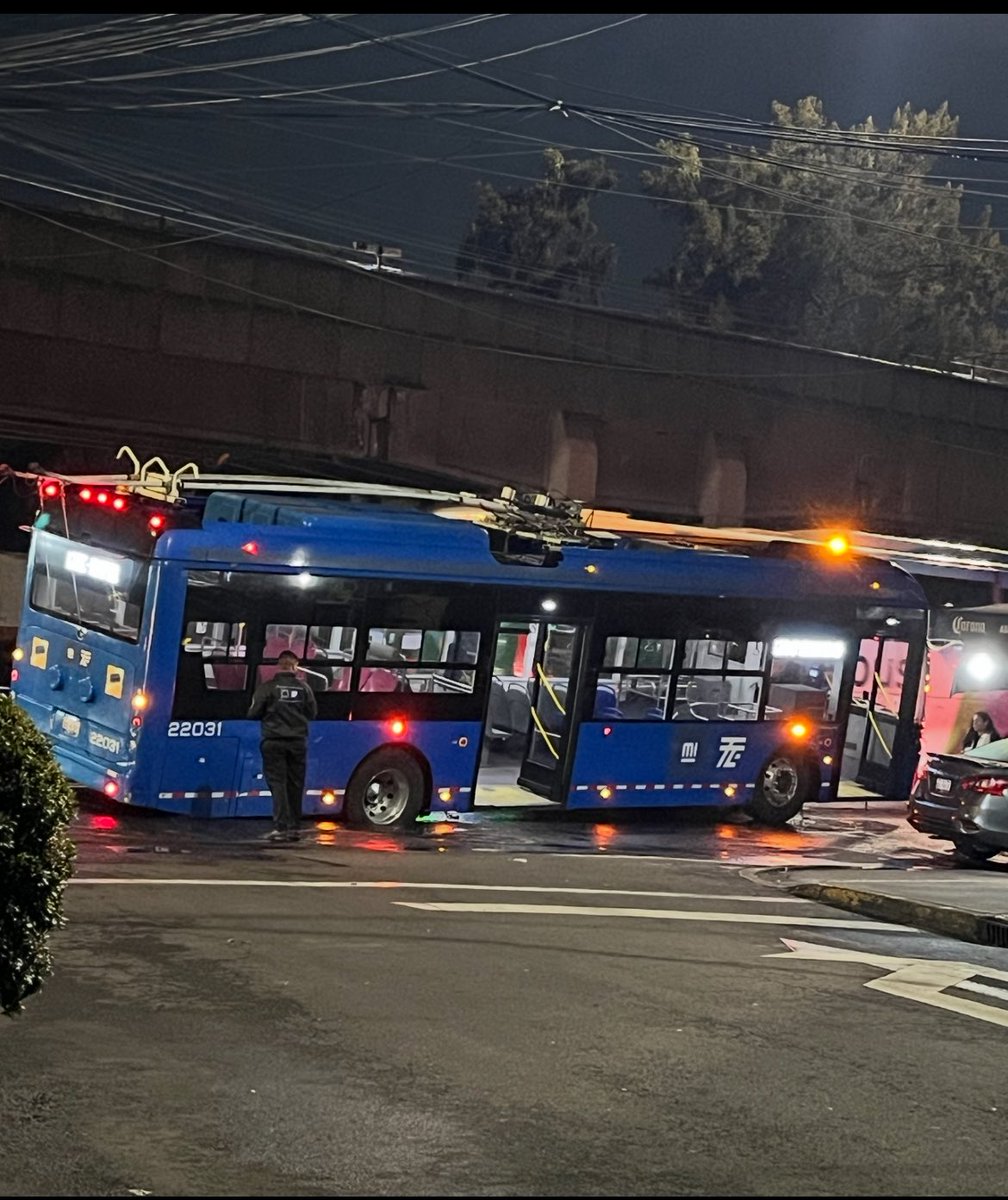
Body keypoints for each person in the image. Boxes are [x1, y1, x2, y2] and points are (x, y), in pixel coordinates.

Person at [247, 649, 317, 841]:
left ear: (279, 665)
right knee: (295, 784)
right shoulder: (305, 689)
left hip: (274, 742)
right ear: (295, 666)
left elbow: (253, 713)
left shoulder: (267, 688)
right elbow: (312, 713)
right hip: (297, 743)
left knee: (278, 784)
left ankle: (281, 826)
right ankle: (294, 825)